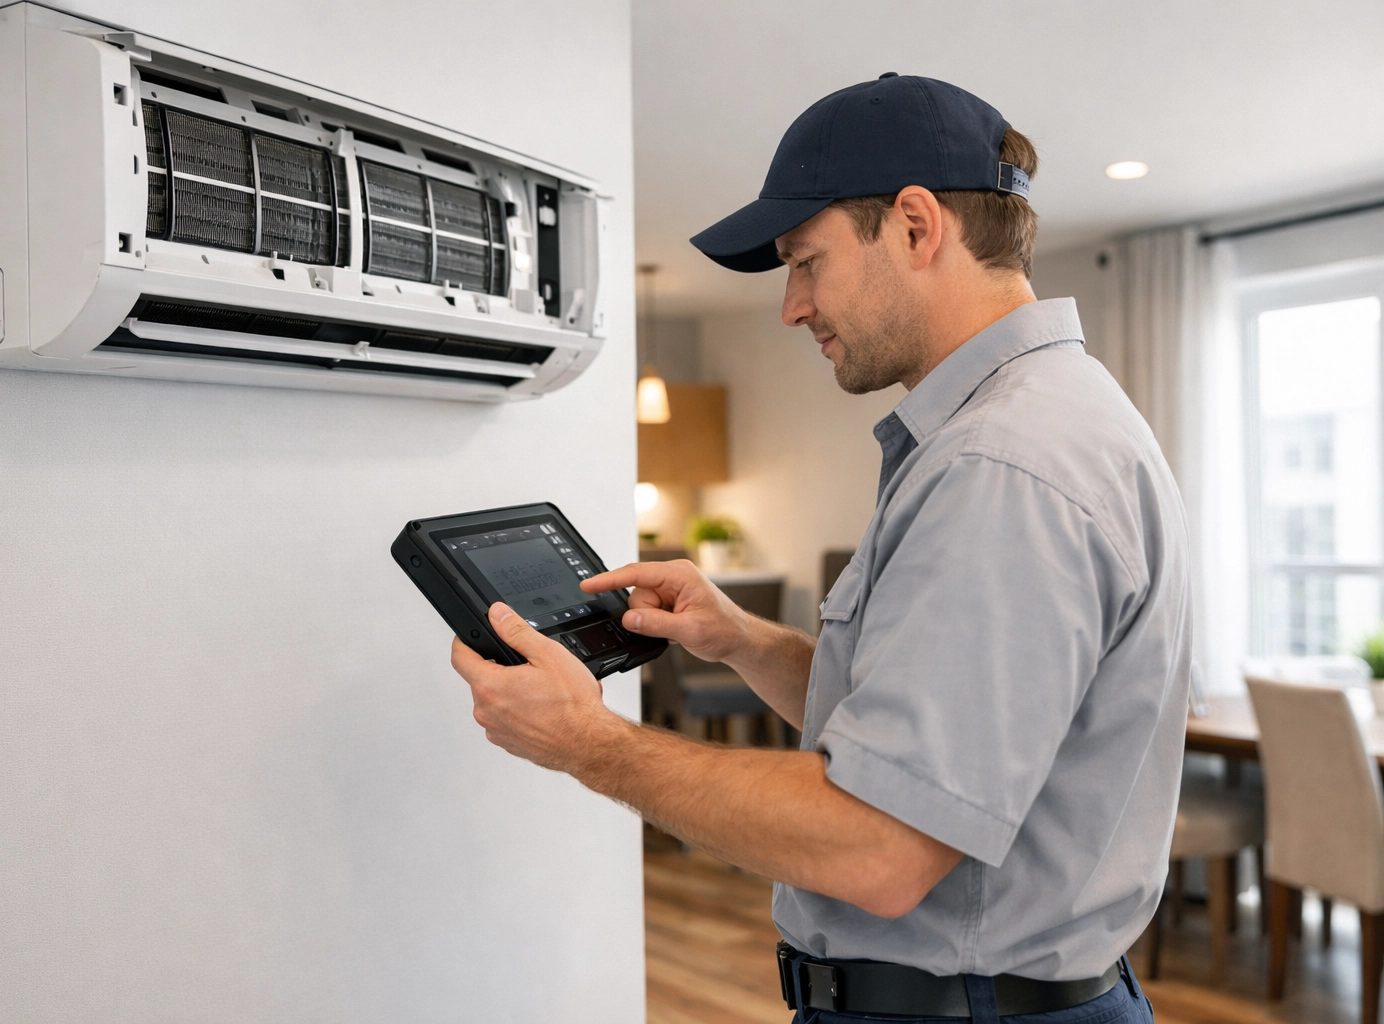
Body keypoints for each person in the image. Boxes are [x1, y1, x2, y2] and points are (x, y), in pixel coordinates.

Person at [451, 74, 1188, 1024]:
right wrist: (743, 641)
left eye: (807, 261)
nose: (792, 306)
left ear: (918, 228)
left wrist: (587, 742)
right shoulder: (1048, 419)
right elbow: (933, 742)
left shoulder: (1001, 463)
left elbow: (879, 847)